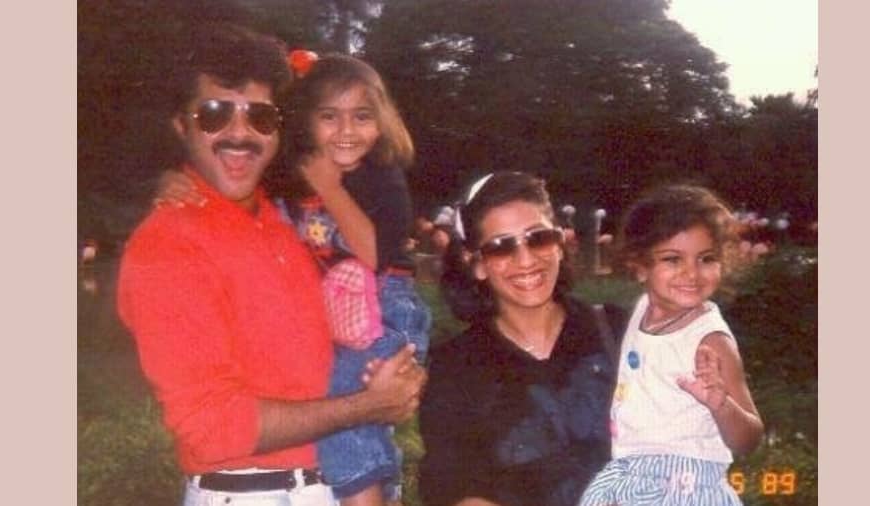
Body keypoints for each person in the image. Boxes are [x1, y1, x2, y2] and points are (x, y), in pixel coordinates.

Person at [116, 23, 425, 506]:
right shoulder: (167, 244)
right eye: (215, 114)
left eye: (259, 116)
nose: (239, 133)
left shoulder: (285, 216)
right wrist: (367, 405)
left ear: (280, 128)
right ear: (182, 125)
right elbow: (212, 427)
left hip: (338, 488)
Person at [274, 52, 432, 506]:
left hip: (388, 310)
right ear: (307, 122)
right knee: (349, 409)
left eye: (361, 116)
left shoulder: (382, 177)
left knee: (344, 401)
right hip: (341, 314)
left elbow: (373, 256)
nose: (346, 131)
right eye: (330, 117)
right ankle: (386, 490)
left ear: (380, 122)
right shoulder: (293, 176)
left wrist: (331, 188)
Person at [418, 171, 627, 506]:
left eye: (538, 238)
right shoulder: (455, 367)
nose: (526, 259)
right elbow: (452, 481)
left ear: (559, 244)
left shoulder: (618, 332)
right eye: (501, 247)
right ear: (477, 264)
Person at [578, 184, 764, 506]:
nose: (691, 273)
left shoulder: (710, 342)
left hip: (683, 486)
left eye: (706, 258)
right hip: (629, 473)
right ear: (640, 267)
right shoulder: (641, 311)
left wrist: (721, 404)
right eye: (672, 259)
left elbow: (749, 438)